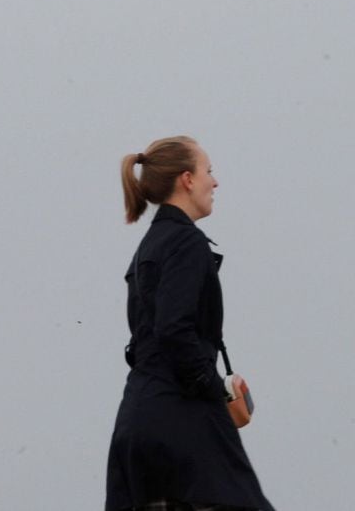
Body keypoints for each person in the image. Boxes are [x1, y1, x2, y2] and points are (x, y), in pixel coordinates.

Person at [106, 136, 274, 511]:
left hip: (136, 422)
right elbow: (174, 331)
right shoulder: (186, 243)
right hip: (180, 422)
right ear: (186, 179)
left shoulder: (148, 248)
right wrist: (215, 389)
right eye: (208, 172)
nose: (214, 182)